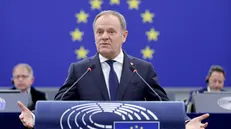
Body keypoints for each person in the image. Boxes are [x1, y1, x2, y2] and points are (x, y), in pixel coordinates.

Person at [17, 10, 209, 129]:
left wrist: (185, 123)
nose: (104, 37)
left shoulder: (142, 69)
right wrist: (34, 116)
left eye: (111, 31)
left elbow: (164, 105)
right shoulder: (79, 69)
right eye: (99, 32)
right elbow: (58, 106)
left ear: (124, 36)